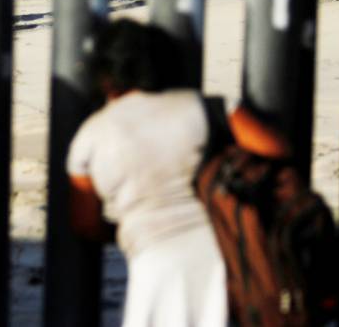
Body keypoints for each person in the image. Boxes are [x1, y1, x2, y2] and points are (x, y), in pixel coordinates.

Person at [66, 19, 227, 327]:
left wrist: (128, 230)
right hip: (225, 246)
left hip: (153, 255)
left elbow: (85, 223)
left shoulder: (92, 133)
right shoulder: (204, 107)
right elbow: (275, 149)